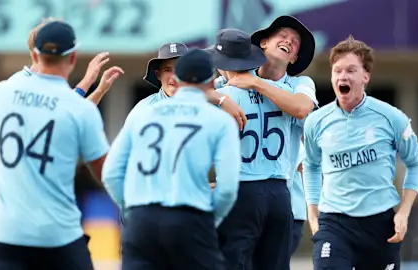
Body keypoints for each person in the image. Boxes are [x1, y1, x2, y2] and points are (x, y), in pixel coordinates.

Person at [0, 21, 109, 270]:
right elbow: (105, 174)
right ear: (73, 57)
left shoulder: (1, 91)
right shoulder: (79, 109)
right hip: (58, 237)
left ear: (35, 53)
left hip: (3, 235)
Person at [102, 48, 241, 270]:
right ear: (212, 81)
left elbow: (110, 173)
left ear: (179, 77)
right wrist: (209, 219)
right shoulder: (218, 119)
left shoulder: (143, 113)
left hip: (141, 220)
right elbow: (227, 189)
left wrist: (132, 209)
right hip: (190, 217)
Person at [302, 36, 418, 270]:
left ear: (365, 76)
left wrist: (403, 214)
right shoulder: (316, 121)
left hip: (379, 225)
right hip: (334, 224)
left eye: (351, 70)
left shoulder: (391, 117)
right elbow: (311, 165)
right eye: (337, 71)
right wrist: (312, 212)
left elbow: (415, 163)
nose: (343, 76)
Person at [214, 15, 319, 258]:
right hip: (239, 189)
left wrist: (255, 83)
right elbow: (196, 91)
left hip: (282, 196)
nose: (289, 41)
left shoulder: (300, 83)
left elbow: (302, 108)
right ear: (263, 42)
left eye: (295, 42)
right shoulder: (234, 79)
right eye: (282, 35)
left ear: (294, 58)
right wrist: (219, 97)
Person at [209, 28, 294, 270]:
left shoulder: (221, 96)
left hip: (241, 190)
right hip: (280, 193)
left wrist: (214, 96)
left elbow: (181, 99)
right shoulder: (281, 91)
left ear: (222, 64)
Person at [133, 42, 248, 131]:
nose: (174, 77)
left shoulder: (211, 104)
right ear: (158, 75)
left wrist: (222, 99)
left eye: (179, 69)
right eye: (168, 70)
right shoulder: (144, 109)